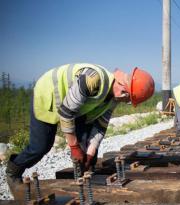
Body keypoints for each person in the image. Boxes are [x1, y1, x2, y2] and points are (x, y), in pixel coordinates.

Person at [6, 63, 155, 196]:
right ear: (123, 88)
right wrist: (73, 146)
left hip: (75, 107)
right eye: (128, 98)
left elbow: (101, 125)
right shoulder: (92, 79)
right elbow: (66, 113)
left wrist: (90, 153)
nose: (126, 102)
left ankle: (83, 178)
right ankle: (13, 171)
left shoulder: (113, 98)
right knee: (41, 146)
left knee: (87, 147)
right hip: (49, 94)